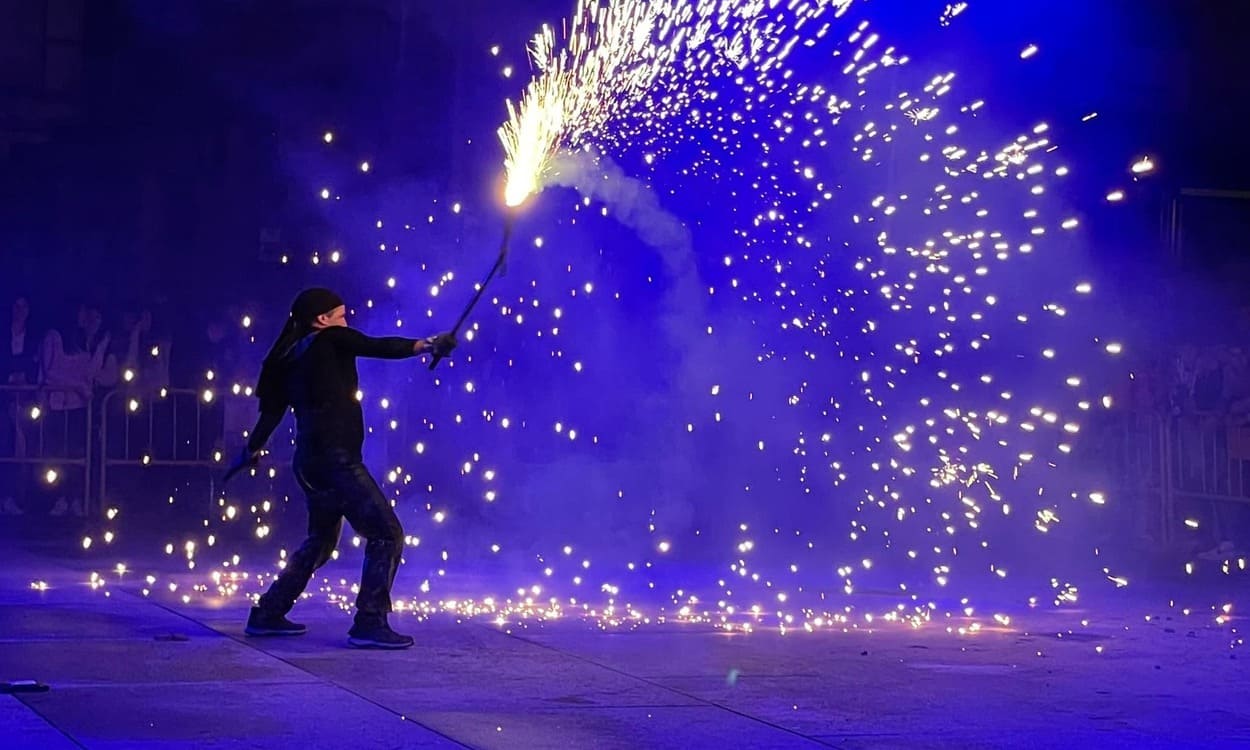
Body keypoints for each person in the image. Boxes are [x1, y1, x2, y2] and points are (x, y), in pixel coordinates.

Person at [225, 288, 456, 649]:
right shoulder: (331, 338)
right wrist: (428, 344)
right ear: (322, 319)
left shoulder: (288, 356)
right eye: (342, 315)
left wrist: (250, 450)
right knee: (387, 533)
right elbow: (380, 346)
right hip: (338, 461)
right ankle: (369, 621)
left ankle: (268, 612)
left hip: (310, 462)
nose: (347, 322)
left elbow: (271, 415)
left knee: (320, 540)